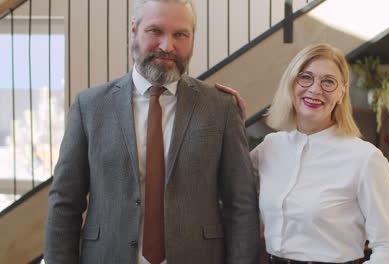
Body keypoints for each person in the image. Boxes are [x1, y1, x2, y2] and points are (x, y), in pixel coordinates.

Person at [44, 0, 260, 263]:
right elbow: (65, 202)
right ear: (134, 31)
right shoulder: (89, 107)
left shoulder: (221, 107)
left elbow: (241, 205)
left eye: (180, 34)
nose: (167, 46)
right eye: (155, 31)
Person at [218, 43, 389, 263]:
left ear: (341, 92)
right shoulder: (270, 147)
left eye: (328, 82)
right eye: (306, 77)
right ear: (292, 84)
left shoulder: (365, 159)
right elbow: (225, 186)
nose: (315, 89)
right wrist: (230, 124)